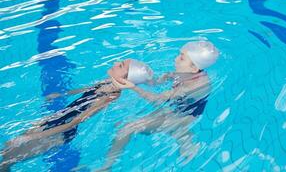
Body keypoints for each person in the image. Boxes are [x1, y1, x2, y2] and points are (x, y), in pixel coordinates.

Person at [0, 59, 153, 172]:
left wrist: (31, 137)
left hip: (62, 132)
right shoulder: (105, 82)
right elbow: (83, 90)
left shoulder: (112, 96)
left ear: (125, 79)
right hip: (59, 118)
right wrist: (61, 94)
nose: (115, 63)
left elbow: (75, 122)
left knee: (9, 160)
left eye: (120, 66)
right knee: (7, 150)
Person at [100, 40, 219, 171]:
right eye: (179, 54)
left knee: (127, 128)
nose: (176, 59)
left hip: (183, 116)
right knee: (123, 124)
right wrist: (149, 80)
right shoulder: (188, 71)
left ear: (194, 68)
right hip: (176, 108)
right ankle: (183, 136)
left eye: (181, 58)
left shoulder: (196, 86)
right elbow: (163, 79)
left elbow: (157, 100)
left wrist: (133, 88)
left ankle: (106, 168)